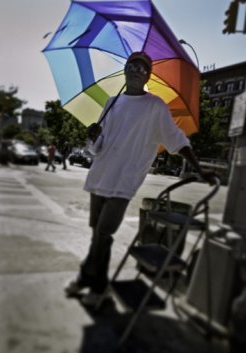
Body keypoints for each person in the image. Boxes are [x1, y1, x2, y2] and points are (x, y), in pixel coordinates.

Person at [65, 51, 215, 306]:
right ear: (125, 71)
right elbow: (97, 149)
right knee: (97, 235)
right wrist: (92, 136)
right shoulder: (112, 102)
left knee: (104, 233)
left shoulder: (155, 106)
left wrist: (198, 169)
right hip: (100, 175)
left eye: (142, 67)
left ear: (147, 75)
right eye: (131, 65)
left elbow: (176, 139)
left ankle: (94, 284)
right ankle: (90, 280)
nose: (136, 70)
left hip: (123, 182)